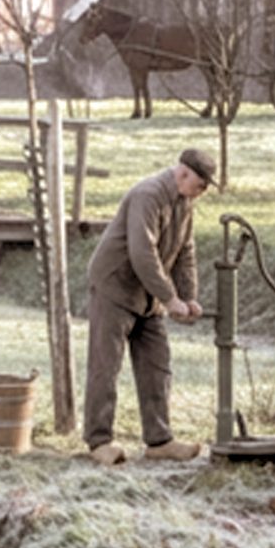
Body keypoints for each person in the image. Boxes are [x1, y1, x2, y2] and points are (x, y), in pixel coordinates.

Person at [82, 147, 212, 466]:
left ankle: (159, 440)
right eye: (201, 184)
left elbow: (186, 252)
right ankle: (99, 441)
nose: (202, 192)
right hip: (116, 285)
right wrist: (170, 299)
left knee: (157, 364)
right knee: (106, 363)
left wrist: (188, 296)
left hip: (147, 294)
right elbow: (143, 253)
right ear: (183, 174)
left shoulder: (185, 203)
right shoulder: (147, 195)